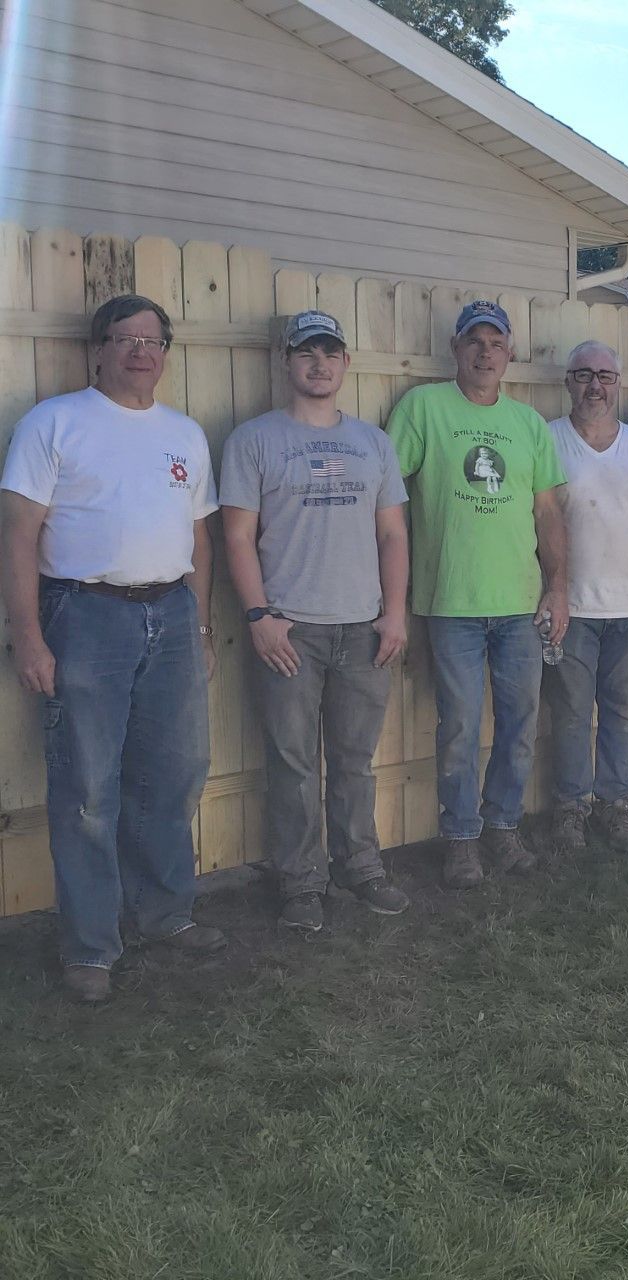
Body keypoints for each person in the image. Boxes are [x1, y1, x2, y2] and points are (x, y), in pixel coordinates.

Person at [0, 294, 225, 1003]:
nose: (139, 351)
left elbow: (200, 538)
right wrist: (28, 636)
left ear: (165, 353)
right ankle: (91, 946)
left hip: (172, 614)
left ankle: (166, 914)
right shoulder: (54, 423)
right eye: (125, 338)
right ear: (98, 349)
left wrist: (200, 626)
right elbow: (18, 535)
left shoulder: (184, 433)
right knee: (87, 789)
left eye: (152, 341)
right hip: (85, 616)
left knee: (176, 772)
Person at [220, 311, 411, 932]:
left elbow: (392, 533)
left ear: (345, 363)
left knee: (355, 760)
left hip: (363, 628)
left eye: (330, 353)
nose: (319, 364)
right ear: (288, 362)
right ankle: (301, 882)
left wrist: (394, 613)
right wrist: (259, 615)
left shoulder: (373, 444)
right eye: (307, 353)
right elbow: (237, 536)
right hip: (289, 630)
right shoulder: (254, 440)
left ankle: (360, 866)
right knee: (294, 764)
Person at [386, 301, 568, 888]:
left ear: (509, 353)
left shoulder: (529, 424)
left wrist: (557, 587)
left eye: (495, 343)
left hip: (519, 604)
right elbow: (388, 494)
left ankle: (503, 828)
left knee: (520, 724)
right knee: (460, 727)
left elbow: (547, 511)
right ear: (456, 349)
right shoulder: (423, 407)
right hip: (451, 603)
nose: (485, 353)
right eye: (474, 341)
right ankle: (461, 839)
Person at [544, 341, 628, 853]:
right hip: (570, 610)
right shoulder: (547, 440)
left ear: (618, 384)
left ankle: (617, 806)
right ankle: (571, 809)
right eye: (583, 375)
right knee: (571, 715)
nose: (595, 386)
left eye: (605, 376)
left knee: (621, 714)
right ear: (568, 382)